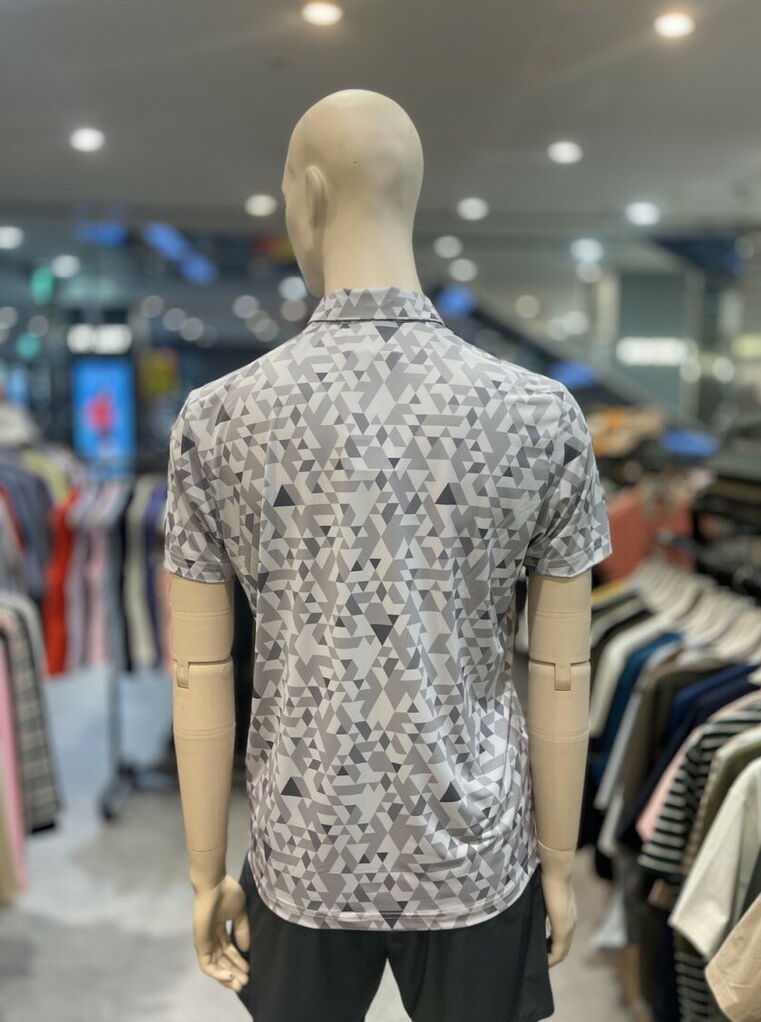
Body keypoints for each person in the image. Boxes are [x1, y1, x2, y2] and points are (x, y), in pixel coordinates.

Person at [164, 89, 611, 1022]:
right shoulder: (540, 415)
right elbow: (562, 670)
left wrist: (206, 873)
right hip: (477, 849)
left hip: (303, 840)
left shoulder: (218, 419)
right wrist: (558, 865)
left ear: (310, 194)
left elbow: (196, 672)